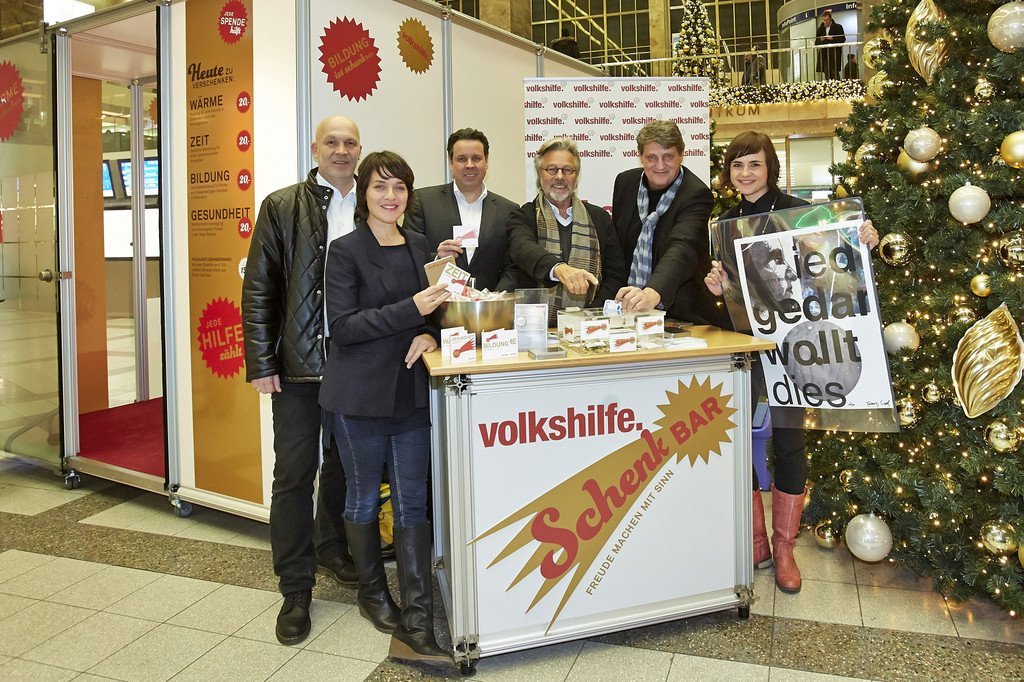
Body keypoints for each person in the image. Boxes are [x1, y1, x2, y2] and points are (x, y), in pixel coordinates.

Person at [704, 131, 879, 594]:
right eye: (737, 165)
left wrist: (861, 240)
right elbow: (731, 297)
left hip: (796, 348)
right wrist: (718, 287)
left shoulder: (801, 213)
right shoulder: (724, 225)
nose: (746, 173)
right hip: (746, 348)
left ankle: (784, 548)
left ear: (771, 168)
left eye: (754, 164)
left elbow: (837, 268)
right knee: (738, 442)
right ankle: (756, 541)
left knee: (788, 442)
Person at [320, 151, 451, 666]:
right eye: (380, 187)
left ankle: (419, 619)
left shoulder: (419, 246)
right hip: (358, 394)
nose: (390, 196)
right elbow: (344, 326)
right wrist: (411, 310)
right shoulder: (345, 250)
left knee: (413, 502)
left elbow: (437, 311)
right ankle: (373, 594)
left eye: (399, 187)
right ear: (365, 194)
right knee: (362, 498)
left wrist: (428, 331)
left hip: (409, 391)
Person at [242, 115, 363, 645]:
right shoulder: (282, 206)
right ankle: (295, 586)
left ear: (360, 149)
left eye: (349, 142)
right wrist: (261, 361)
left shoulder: (374, 203)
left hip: (357, 360)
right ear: (315, 149)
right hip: (298, 364)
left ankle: (331, 548)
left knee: (345, 465)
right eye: (331, 142)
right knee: (294, 473)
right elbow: (259, 287)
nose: (341, 150)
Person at [611, 120, 720, 325]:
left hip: (682, 313)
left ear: (681, 155)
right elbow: (617, 249)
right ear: (640, 156)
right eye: (651, 157)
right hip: (628, 309)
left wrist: (652, 292)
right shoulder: (625, 184)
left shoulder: (695, 193)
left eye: (668, 156)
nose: (660, 166)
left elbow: (682, 247)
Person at [506, 137, 628, 317]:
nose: (560, 177)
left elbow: (615, 275)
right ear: (540, 174)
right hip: (536, 323)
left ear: (576, 175)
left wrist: (589, 315)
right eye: (551, 169)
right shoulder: (523, 215)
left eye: (567, 170)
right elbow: (522, 248)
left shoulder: (599, 218)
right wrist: (558, 268)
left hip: (589, 323)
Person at [404, 128, 521, 292]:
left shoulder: (509, 210)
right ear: (451, 163)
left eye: (476, 158)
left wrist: (494, 299)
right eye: (461, 159)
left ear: (486, 161)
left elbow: (514, 267)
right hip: (438, 304)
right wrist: (437, 259)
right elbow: (408, 257)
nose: (470, 165)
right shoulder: (422, 201)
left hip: (490, 306)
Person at [815, 9, 845, 80]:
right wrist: (821, 39)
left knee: (835, 73)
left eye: (827, 20)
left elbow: (842, 39)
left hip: (834, 54)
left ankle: (837, 86)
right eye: (824, 20)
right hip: (824, 54)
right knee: (827, 74)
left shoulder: (838, 27)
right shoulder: (820, 29)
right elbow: (816, 42)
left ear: (830, 19)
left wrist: (833, 39)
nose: (825, 22)